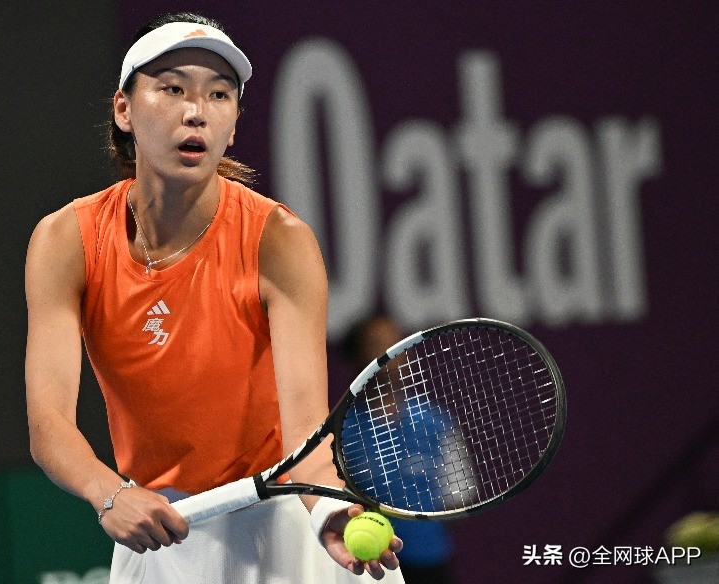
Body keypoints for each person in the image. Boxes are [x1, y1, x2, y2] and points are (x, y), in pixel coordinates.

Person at [24, 11, 404, 584]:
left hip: (282, 524)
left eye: (219, 94)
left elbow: (306, 424)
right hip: (155, 527)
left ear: (233, 124)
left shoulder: (280, 241)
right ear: (124, 109)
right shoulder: (66, 241)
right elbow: (49, 423)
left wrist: (327, 509)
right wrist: (110, 494)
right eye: (172, 88)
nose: (196, 111)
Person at [340, 314, 457, 584]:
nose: (389, 354)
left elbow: (458, 497)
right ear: (356, 358)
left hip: (431, 564)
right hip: (364, 566)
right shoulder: (340, 432)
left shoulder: (437, 422)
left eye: (397, 344)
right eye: (376, 345)